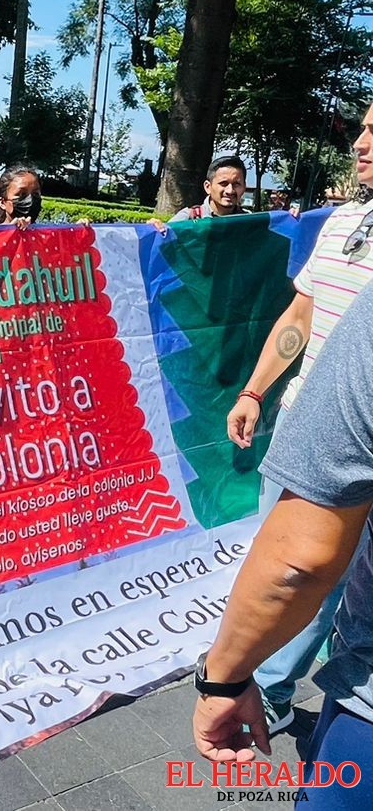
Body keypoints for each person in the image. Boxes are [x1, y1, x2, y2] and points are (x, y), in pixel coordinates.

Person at [222, 102, 373, 735]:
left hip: (359, 449)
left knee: (322, 575)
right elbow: (299, 318)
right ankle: (254, 675)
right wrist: (255, 392)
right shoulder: (342, 221)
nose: (361, 144)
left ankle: (274, 691)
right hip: (297, 425)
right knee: (277, 555)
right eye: (363, 128)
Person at [149, 155, 247, 232]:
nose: (230, 190)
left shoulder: (250, 223)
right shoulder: (188, 218)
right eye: (223, 184)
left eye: (236, 184)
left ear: (244, 187)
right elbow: (163, 243)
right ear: (208, 187)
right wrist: (153, 230)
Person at [0, 164, 42, 230]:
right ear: (2, 203)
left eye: (36, 194)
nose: (30, 199)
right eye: (21, 194)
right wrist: (9, 233)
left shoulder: (46, 236)